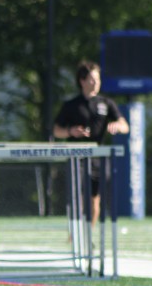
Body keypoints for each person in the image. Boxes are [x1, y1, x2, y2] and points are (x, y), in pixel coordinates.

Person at [52, 60, 129, 227]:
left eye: (98, 79)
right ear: (82, 81)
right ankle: (75, 234)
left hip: (97, 157)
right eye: (92, 79)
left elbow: (125, 126)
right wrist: (70, 131)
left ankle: (89, 233)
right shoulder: (71, 105)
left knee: (95, 199)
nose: (96, 83)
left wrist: (117, 126)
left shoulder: (106, 103)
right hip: (76, 157)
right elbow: (56, 130)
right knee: (77, 197)